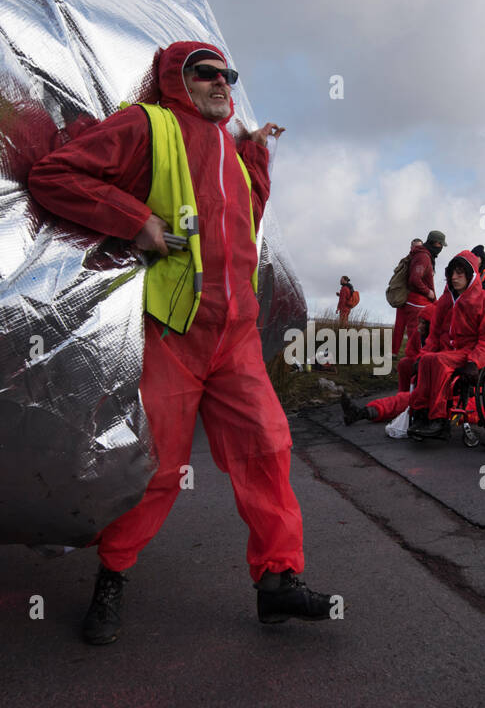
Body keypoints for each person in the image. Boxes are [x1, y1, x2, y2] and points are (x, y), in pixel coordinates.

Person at [27, 41, 335, 644]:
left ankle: (278, 583)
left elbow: (246, 215)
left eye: (230, 75)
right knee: (161, 467)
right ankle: (112, 577)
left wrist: (256, 152)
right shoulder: (150, 125)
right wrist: (135, 221)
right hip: (174, 328)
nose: (223, 84)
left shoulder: (232, 148)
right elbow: (54, 175)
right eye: (207, 73)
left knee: (268, 448)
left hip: (237, 335)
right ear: (176, 78)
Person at [406, 250, 485, 440]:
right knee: (427, 360)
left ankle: (439, 420)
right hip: (446, 350)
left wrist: (475, 361)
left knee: (439, 361)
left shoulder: (484, 300)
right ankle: (422, 414)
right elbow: (434, 334)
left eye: (460, 273)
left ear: (471, 275)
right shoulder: (445, 301)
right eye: (451, 273)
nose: (454, 277)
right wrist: (422, 354)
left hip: (468, 352)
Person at [392, 231, 444, 355]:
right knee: (415, 337)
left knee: (413, 335)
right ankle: (413, 364)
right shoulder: (424, 257)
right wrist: (428, 292)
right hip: (417, 303)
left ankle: (410, 359)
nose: (441, 248)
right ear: (437, 243)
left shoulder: (422, 256)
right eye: (441, 245)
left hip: (415, 301)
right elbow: (415, 279)